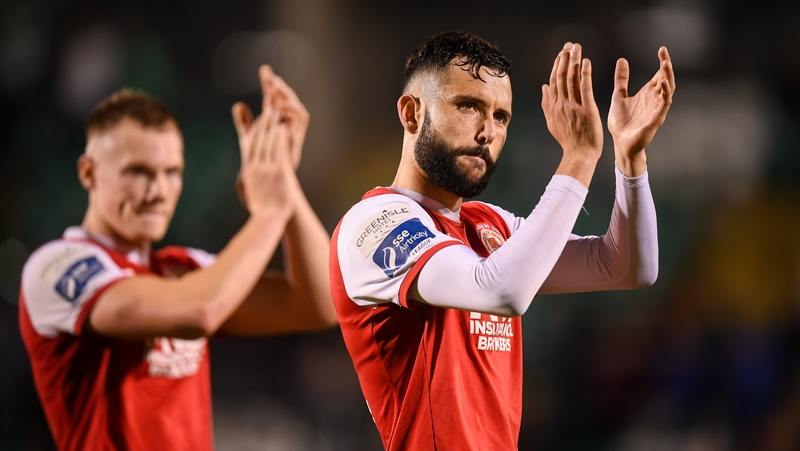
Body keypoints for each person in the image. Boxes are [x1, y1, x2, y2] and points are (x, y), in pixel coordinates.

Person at [330, 31, 675, 450]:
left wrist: (629, 158)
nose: (487, 132)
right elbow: (501, 290)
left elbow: (627, 267)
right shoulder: (374, 223)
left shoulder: (488, 224)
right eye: (468, 106)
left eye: (501, 117)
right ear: (411, 114)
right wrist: (579, 157)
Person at [18, 66, 337, 451]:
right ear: (88, 172)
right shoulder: (55, 268)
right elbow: (198, 312)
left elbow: (319, 304)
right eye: (138, 172)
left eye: (172, 172)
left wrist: (285, 183)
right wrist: (269, 212)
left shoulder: (183, 268)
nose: (158, 191)